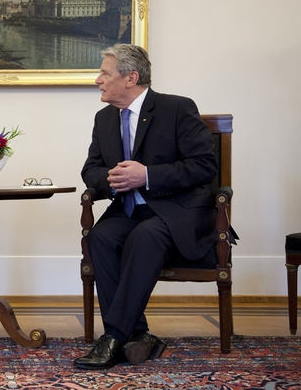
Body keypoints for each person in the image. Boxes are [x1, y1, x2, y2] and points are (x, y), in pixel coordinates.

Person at [74, 44, 218, 369]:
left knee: (145, 235)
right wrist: (112, 179)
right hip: (129, 210)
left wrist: (147, 175)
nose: (97, 80)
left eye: (105, 73)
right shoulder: (104, 119)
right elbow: (90, 169)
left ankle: (113, 337)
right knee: (100, 237)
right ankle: (138, 335)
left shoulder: (177, 108)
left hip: (176, 211)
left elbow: (204, 166)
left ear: (131, 78)